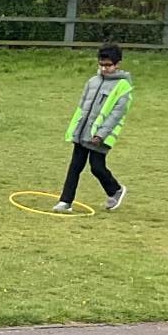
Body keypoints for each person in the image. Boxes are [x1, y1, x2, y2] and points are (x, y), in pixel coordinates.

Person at [53, 44, 133, 213]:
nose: (104, 69)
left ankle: (115, 190)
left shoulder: (123, 87)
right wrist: (75, 130)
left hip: (101, 137)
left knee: (96, 167)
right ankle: (65, 201)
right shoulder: (92, 82)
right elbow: (82, 107)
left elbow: (115, 115)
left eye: (108, 65)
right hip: (82, 133)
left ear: (118, 64)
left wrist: (100, 135)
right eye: (101, 64)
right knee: (75, 167)